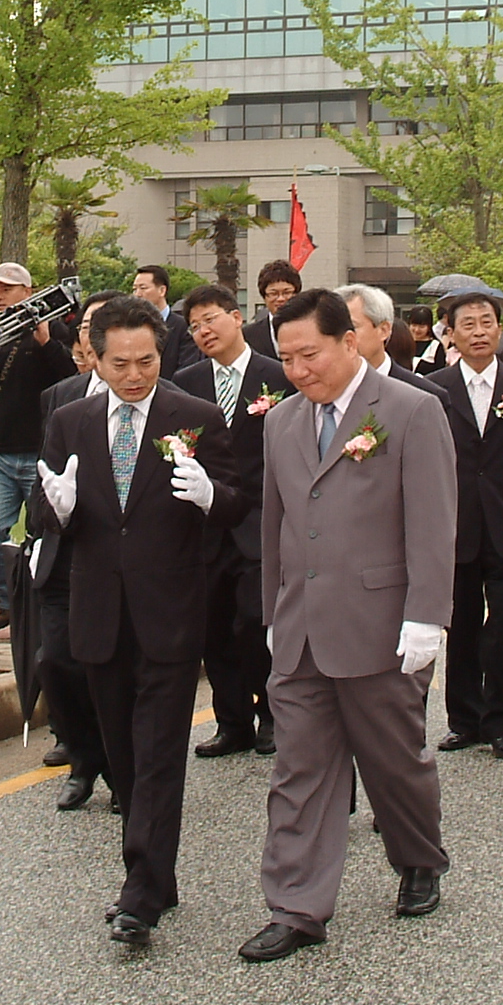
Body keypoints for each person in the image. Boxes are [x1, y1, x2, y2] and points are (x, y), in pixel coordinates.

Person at [242, 288, 455, 961]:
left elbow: (432, 522)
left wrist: (427, 619)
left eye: (310, 354)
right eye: (286, 358)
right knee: (298, 769)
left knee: (394, 761)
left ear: (350, 341)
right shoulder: (280, 422)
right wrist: (275, 610)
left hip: (379, 621)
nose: (299, 370)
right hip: (301, 625)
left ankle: (418, 857)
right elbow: (276, 525)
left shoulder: (411, 411)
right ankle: (297, 905)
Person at [35, 298, 240, 946]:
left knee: (157, 756)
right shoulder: (68, 420)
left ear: (162, 352)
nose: (134, 375)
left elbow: (238, 503)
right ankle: (157, 873)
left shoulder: (197, 418)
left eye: (146, 361)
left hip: (170, 613)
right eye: (119, 363)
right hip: (98, 612)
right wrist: (58, 511)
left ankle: (140, 894)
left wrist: (212, 496)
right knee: (123, 756)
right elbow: (44, 519)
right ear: (93, 356)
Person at [422, 287, 503, 761]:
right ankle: (463, 720)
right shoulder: (433, 388)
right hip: (455, 526)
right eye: (467, 324)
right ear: (449, 333)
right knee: (462, 625)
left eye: (486, 322)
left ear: (500, 328)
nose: (479, 332)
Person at [172, 283, 294, 761]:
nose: (204, 332)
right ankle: (232, 721)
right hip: (205, 524)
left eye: (211, 320)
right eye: (194, 326)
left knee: (254, 622)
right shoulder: (185, 382)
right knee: (215, 627)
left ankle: (271, 716)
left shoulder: (276, 375)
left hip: (261, 519)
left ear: (236, 316)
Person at [0, 261, 76, 603]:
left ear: (28, 292)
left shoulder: (58, 331)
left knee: (44, 534)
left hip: (44, 454)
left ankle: (38, 602)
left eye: (6, 288)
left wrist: (47, 341)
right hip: (1, 455)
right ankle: (9, 599)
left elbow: (73, 382)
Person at [26, 315, 113, 806]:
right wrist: (49, 514)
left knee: (111, 670)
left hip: (119, 558)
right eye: (88, 327)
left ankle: (120, 770)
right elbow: (43, 471)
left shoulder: (164, 397)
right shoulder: (60, 396)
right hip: (64, 553)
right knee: (56, 662)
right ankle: (84, 758)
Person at [128, 263, 206, 381]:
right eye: (135, 289)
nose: (137, 294)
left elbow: (188, 369)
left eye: (143, 288)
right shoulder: (130, 327)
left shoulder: (183, 326)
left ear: (162, 290)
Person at [245, 259, 303, 361]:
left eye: (286, 292)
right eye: (273, 293)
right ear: (264, 297)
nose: (280, 299)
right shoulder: (248, 335)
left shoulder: (310, 328)